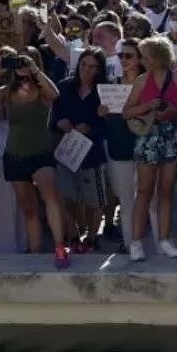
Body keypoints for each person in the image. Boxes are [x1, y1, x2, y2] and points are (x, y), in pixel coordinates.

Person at [0, 48, 66, 267]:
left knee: (50, 197)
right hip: (14, 156)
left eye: (25, 62)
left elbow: (55, 94)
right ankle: (34, 254)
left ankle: (60, 248)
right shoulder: (7, 91)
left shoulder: (42, 90)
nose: (21, 67)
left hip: (41, 154)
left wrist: (34, 70)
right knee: (28, 209)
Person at [122, 35, 177, 262]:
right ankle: (136, 242)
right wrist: (147, 107)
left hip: (171, 135)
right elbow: (127, 112)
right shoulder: (142, 81)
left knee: (166, 191)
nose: (143, 60)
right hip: (148, 136)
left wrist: (172, 111)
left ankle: (164, 240)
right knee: (143, 191)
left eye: (146, 56)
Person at [52, 48, 108, 252]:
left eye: (92, 67)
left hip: (92, 154)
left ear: (99, 69)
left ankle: (92, 237)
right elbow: (53, 117)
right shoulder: (64, 87)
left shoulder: (105, 90)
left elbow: (109, 126)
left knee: (95, 200)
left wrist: (93, 124)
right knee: (66, 197)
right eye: (84, 65)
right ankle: (73, 234)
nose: (86, 70)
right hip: (66, 151)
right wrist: (61, 123)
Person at [100, 38, 148, 253]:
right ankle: (130, 243)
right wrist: (102, 113)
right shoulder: (112, 86)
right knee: (126, 199)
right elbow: (107, 119)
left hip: (146, 146)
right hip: (120, 147)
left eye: (129, 56)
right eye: (121, 56)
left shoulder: (148, 84)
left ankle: (154, 244)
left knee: (150, 200)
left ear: (140, 59)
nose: (124, 60)